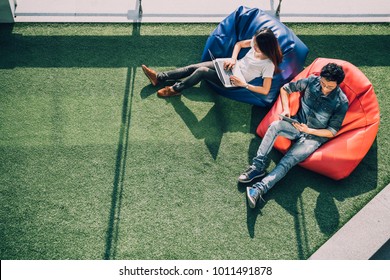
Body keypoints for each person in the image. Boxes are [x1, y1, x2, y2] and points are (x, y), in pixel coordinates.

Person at [239, 62, 348, 208]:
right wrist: (285, 109)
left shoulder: (341, 102)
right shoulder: (311, 81)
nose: (325, 88)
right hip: (297, 123)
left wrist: (309, 131)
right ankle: (257, 167)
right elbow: (286, 89)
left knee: (287, 161)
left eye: (330, 86)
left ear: (338, 85)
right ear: (320, 78)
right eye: (323, 83)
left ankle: (259, 189)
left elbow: (331, 131)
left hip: (313, 137)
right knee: (274, 126)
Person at [141, 28, 282, 98]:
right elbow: (239, 44)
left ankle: (175, 89)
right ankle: (159, 77)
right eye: (254, 42)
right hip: (230, 67)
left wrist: (243, 84)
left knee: (201, 71)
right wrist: (233, 59)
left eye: (256, 45)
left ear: (265, 47)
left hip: (233, 82)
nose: (253, 45)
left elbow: (265, 90)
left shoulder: (268, 65)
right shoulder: (255, 42)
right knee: (194, 67)